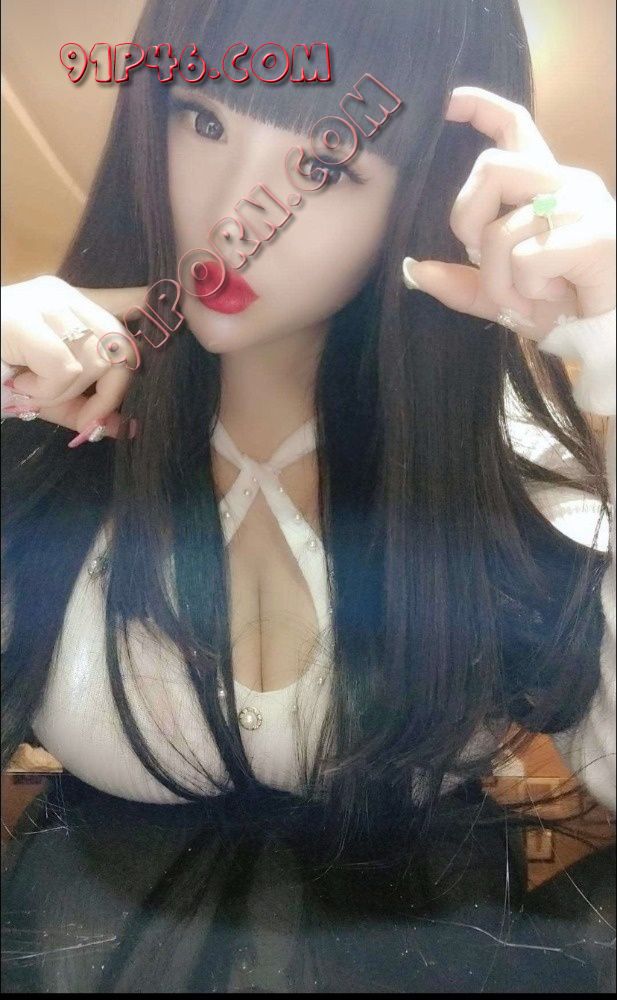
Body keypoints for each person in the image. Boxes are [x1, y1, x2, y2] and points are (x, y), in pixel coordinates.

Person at [1, 3, 615, 983]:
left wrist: (612, 348)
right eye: (203, 120)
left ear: (425, 195)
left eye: (324, 167)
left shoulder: (509, 468)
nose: (233, 217)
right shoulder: (44, 433)